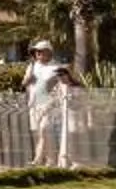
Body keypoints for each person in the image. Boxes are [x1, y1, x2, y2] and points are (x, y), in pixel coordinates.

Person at [25, 38, 78, 167]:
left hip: (49, 104)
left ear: (49, 53)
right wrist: (28, 79)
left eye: (41, 51)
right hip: (34, 103)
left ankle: (50, 160)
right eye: (37, 51)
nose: (38, 54)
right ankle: (39, 160)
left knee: (45, 130)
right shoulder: (32, 66)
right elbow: (24, 83)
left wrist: (64, 79)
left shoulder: (55, 67)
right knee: (37, 133)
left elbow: (68, 81)